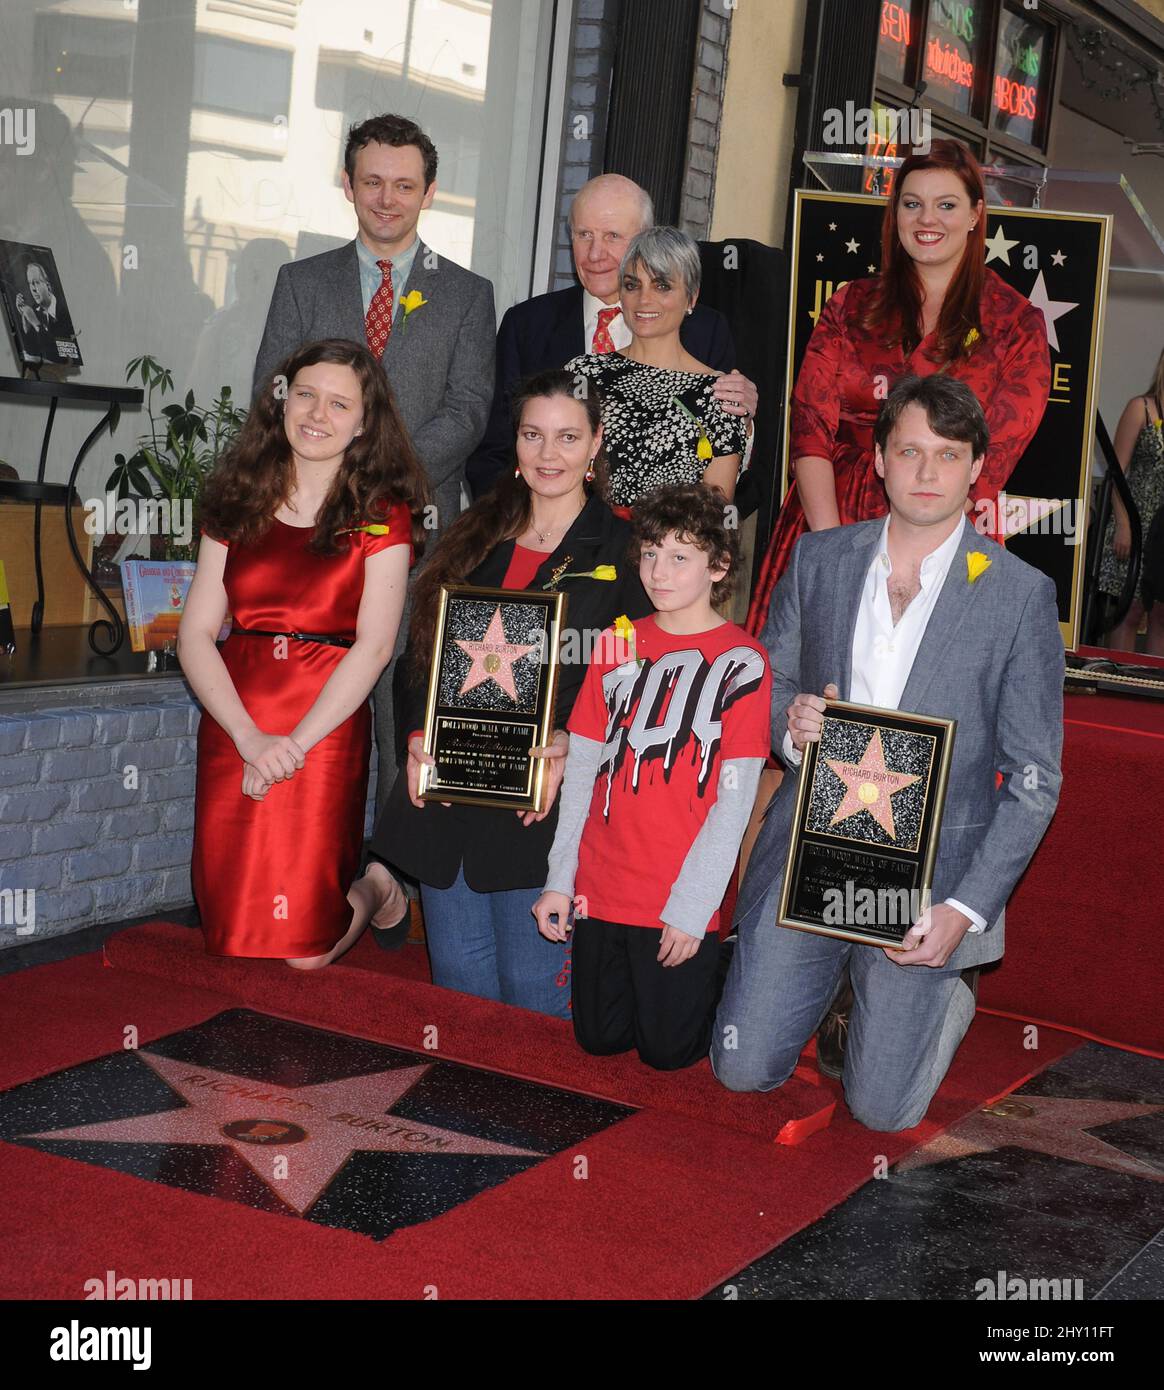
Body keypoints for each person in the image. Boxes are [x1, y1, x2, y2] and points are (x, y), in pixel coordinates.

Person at [712, 374, 1064, 1130]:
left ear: (977, 469)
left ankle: (947, 991)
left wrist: (965, 913)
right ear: (877, 459)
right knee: (742, 1070)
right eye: (909, 450)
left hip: (930, 882)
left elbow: (1034, 781)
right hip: (815, 849)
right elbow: (767, 688)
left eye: (948, 454)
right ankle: (830, 977)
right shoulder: (820, 560)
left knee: (880, 1113)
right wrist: (789, 722)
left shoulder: (1018, 594)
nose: (927, 472)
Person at [367, 368, 652, 1017]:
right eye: (533, 435)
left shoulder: (626, 550)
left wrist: (571, 743)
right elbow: (419, 657)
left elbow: (641, 680)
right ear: (514, 442)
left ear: (595, 442)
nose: (549, 455)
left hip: (545, 808)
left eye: (567, 437)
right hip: (450, 798)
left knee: (533, 1004)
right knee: (462, 998)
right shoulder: (471, 536)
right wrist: (416, 738)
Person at [253, 114, 496, 799]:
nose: (387, 199)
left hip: (421, 525)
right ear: (347, 185)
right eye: (372, 182)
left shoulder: (468, 294)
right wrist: (329, 486)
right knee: (311, 681)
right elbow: (272, 393)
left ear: (430, 191)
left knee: (401, 692)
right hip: (310, 524)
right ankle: (306, 830)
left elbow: (470, 410)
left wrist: (381, 478)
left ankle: (392, 863)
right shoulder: (301, 282)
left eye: (403, 184)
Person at [179, 339, 429, 966]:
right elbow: (196, 633)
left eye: (340, 403)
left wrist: (293, 745)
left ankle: (379, 889)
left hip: (324, 726)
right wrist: (247, 736)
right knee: (231, 934)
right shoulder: (236, 497)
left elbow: (373, 649)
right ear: (282, 398)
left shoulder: (382, 516)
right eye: (306, 393)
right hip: (236, 722)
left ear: (365, 422)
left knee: (304, 953)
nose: (318, 414)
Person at [747, 138, 1051, 636]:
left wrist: (920, 563)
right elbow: (810, 431)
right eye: (912, 204)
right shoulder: (850, 304)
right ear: (895, 214)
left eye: (946, 205)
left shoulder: (1016, 323)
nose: (926, 219)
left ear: (976, 214)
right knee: (806, 693)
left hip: (949, 527)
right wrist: (832, 551)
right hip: (831, 512)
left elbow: (988, 463)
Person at [534, 484, 772, 1069]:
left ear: (718, 567)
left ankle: (726, 959)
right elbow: (585, 767)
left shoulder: (745, 660)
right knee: (599, 1039)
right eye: (649, 554)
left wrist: (693, 909)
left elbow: (733, 803)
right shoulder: (616, 641)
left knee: (668, 1054)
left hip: (676, 890)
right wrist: (560, 879)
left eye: (680, 557)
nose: (658, 572)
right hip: (604, 882)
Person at [468, 173, 757, 497]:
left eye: (612, 236)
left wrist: (742, 425)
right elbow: (493, 453)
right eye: (584, 235)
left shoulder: (706, 330)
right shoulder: (526, 325)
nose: (594, 254)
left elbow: (721, 481)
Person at [565, 227, 749, 509]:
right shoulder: (584, 373)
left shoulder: (720, 396)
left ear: (691, 298)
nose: (644, 299)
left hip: (672, 549)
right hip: (583, 546)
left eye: (662, 285)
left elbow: (714, 516)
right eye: (632, 285)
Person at [1098, 347, 1164, 655]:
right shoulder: (1142, 407)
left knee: (1161, 614)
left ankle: (1151, 690)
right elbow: (1116, 472)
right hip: (1136, 522)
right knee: (1131, 610)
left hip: (1163, 533)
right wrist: (1124, 525)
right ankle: (1118, 680)